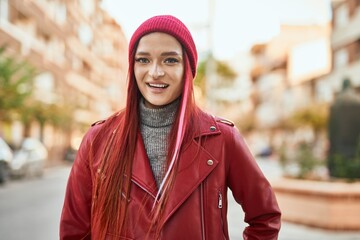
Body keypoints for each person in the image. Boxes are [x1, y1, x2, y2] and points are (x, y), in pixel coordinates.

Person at [60, 15, 281, 240]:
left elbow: (265, 218)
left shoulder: (222, 139)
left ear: (188, 68)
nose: (155, 72)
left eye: (170, 60)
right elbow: (74, 231)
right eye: (143, 60)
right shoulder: (98, 140)